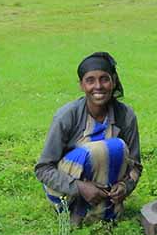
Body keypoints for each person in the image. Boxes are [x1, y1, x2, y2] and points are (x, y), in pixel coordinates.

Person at [35, 51, 142, 225]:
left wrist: (124, 187)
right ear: (81, 85)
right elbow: (43, 169)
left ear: (113, 81)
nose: (98, 86)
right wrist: (79, 187)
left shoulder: (126, 115)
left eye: (104, 79)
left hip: (105, 188)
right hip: (66, 190)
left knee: (117, 148)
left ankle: (104, 211)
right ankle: (76, 213)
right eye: (90, 80)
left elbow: (135, 166)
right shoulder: (66, 116)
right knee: (105, 148)